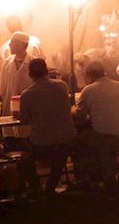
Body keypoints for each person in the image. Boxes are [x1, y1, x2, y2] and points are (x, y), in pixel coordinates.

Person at [18, 58, 76, 196]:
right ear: (46, 71)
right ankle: (51, 185)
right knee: (61, 151)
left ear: (30, 75)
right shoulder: (62, 86)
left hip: (42, 144)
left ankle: (35, 187)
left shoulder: (27, 94)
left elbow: (24, 120)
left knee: (23, 157)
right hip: (66, 141)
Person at [75, 62, 119, 189]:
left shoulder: (89, 89)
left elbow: (79, 115)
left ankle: (85, 180)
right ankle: (105, 175)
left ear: (89, 76)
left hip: (105, 139)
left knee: (77, 142)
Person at [0, 32, 35, 150]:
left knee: (26, 133)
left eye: (12, 43)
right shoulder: (7, 62)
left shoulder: (33, 62)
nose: (10, 46)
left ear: (22, 45)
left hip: (27, 105)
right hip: (9, 104)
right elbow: (0, 83)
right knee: (10, 135)